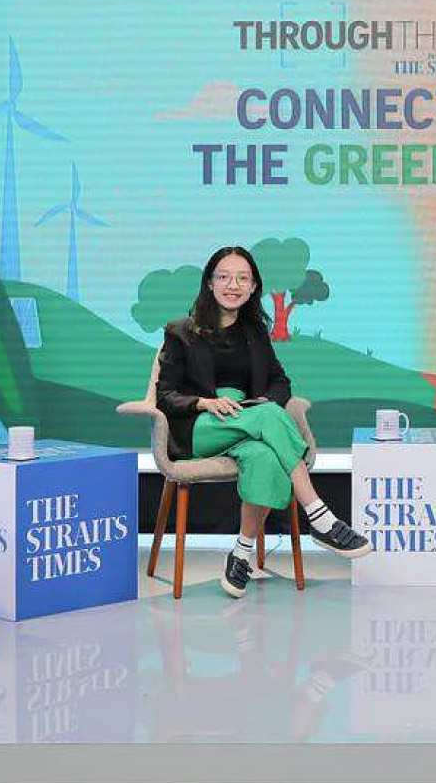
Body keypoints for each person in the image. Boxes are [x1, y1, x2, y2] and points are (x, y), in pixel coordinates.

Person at [155, 246, 370, 598]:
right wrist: (206, 403)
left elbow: (280, 382)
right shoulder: (181, 331)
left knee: (265, 456)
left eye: (243, 278)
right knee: (271, 418)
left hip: (248, 423)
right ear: (209, 283)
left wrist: (262, 404)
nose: (233, 285)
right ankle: (321, 518)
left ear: (254, 286)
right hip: (201, 428)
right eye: (223, 277)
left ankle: (241, 554)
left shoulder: (254, 333)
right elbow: (165, 395)